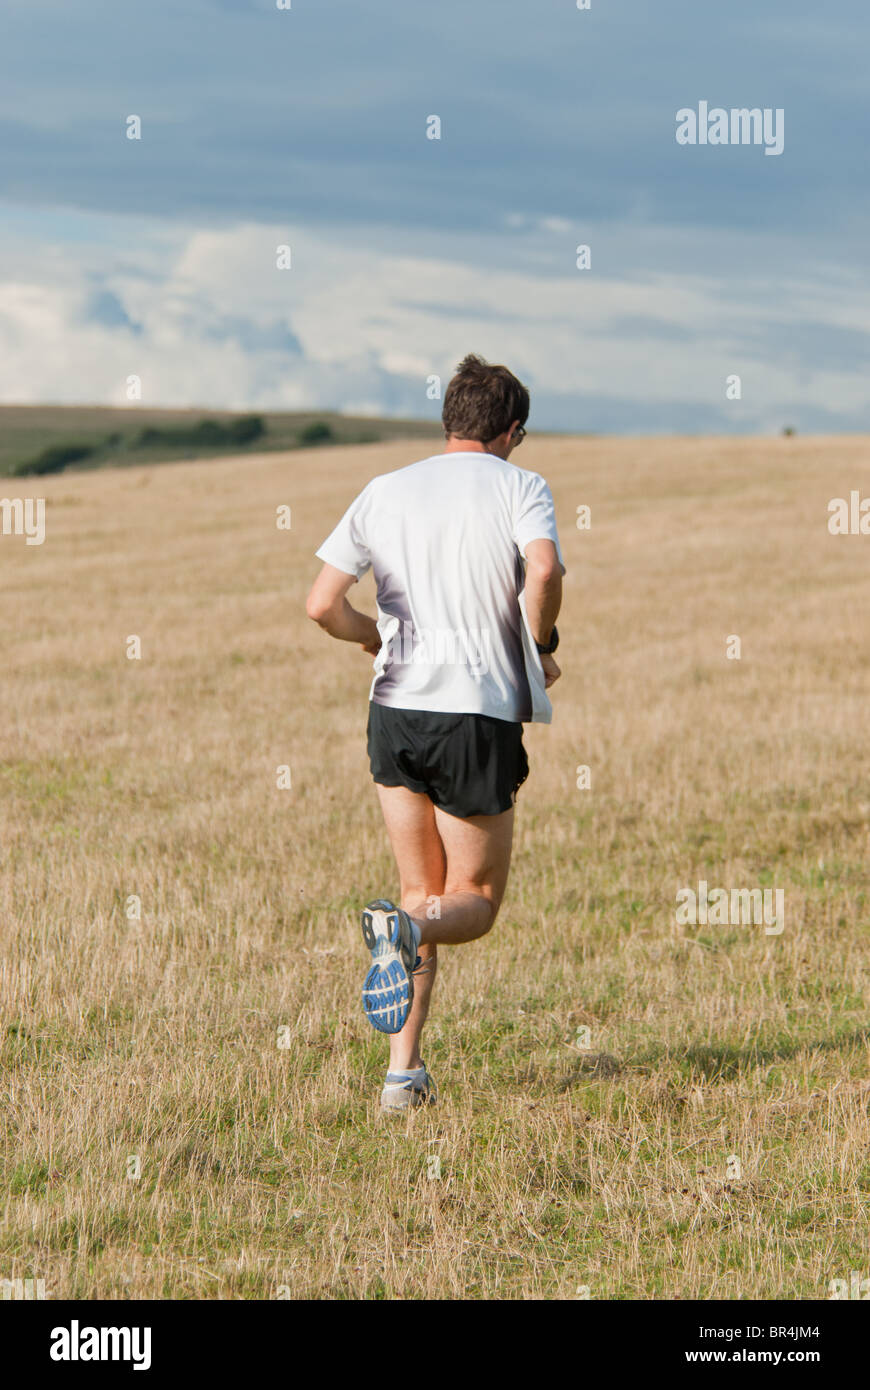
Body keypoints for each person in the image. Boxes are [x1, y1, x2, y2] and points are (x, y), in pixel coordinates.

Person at [306, 354, 564, 1111]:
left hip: (395, 712)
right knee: (472, 903)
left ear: (449, 420)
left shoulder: (386, 489)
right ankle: (404, 936)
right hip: (474, 711)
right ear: (512, 430)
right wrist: (539, 647)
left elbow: (322, 603)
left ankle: (401, 1078)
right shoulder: (522, 486)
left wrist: (371, 638)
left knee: (419, 897)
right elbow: (544, 574)